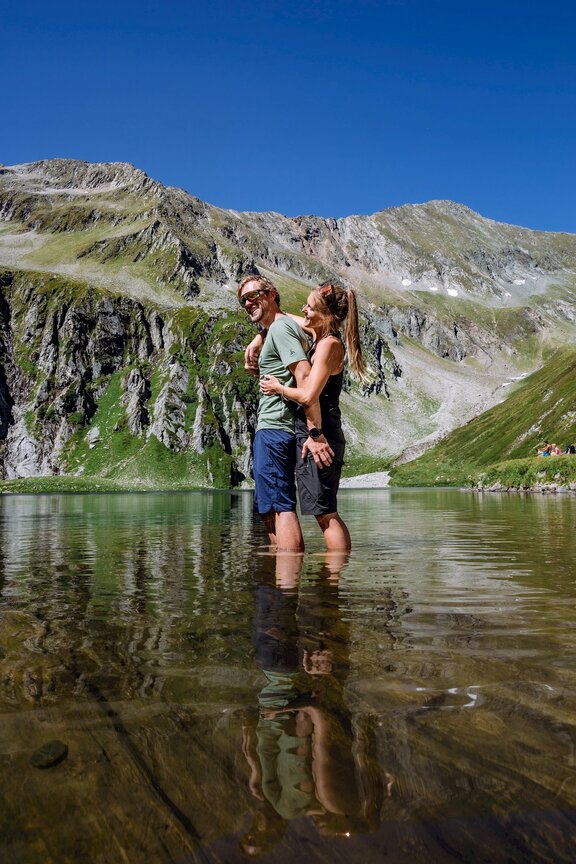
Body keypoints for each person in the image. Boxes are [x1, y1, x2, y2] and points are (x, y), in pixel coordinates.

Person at [259, 282, 367, 552]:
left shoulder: (328, 345)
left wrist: (279, 388)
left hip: (322, 435)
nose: (304, 310)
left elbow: (308, 395)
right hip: (317, 432)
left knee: (324, 512)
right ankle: (332, 581)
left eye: (310, 307)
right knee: (322, 509)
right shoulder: (321, 335)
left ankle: (333, 581)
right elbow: (286, 320)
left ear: (327, 315)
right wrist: (260, 336)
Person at [238, 275, 334, 552]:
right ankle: (281, 581)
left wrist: (314, 432)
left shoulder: (280, 329)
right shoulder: (278, 329)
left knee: (280, 508)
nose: (247, 302)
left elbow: (304, 378)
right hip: (275, 426)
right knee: (270, 510)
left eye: (253, 295)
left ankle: (286, 586)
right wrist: (260, 337)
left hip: (275, 427)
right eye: (243, 299)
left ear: (271, 294)